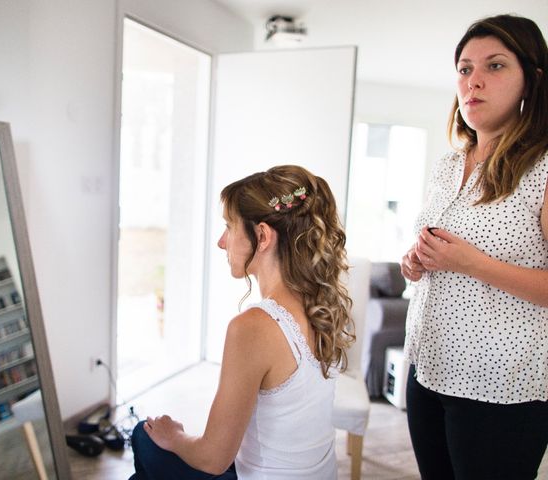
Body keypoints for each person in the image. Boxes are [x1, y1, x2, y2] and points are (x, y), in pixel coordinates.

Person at [129, 165, 353, 479]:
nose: (222, 242)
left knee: (143, 434)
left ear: (262, 236)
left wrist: (175, 437)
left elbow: (213, 459)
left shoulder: (254, 326)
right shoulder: (322, 305)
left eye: (229, 226)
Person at [400, 14, 548, 480]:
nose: (474, 81)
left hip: (501, 385)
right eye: (464, 69)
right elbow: (442, 248)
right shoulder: (448, 164)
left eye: (496, 66)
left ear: (532, 80)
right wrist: (417, 260)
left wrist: (471, 263)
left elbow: (471, 259)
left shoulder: (543, 168)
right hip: (427, 367)